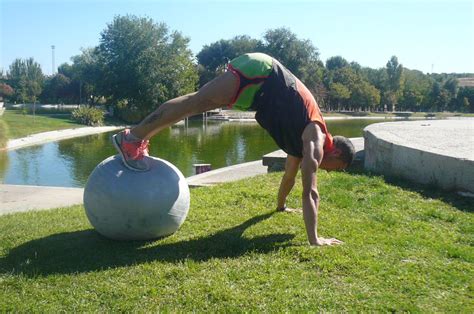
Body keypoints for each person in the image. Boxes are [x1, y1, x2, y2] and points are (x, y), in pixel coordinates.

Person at [112, 53, 355, 246]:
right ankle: (132, 138)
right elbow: (310, 191)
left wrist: (281, 207)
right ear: (336, 154)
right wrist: (315, 239)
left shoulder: (301, 144)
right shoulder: (315, 136)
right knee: (193, 103)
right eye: (337, 169)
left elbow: (289, 177)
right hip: (262, 73)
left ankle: (135, 139)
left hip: (257, 93)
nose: (330, 171)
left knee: (193, 105)